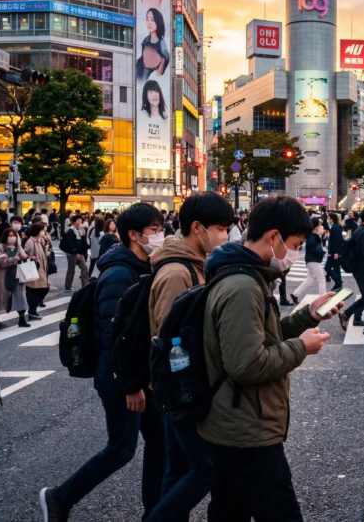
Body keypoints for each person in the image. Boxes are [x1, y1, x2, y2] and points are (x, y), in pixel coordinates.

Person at [197, 196, 337, 521]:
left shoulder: (245, 274)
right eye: (295, 244)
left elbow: (264, 335)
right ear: (273, 237)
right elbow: (247, 364)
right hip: (247, 427)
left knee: (229, 511)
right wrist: (302, 347)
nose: (296, 254)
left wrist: (308, 315)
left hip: (232, 422)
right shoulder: (244, 286)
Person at [40, 204, 168, 521]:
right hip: (121, 378)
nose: (160, 234)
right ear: (134, 235)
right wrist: (131, 385)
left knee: (160, 443)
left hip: (142, 375)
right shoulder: (119, 274)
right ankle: (59, 497)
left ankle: (155, 513)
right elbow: (115, 337)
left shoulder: (145, 266)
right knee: (121, 449)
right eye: (154, 229)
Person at [144, 192, 234, 522]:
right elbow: (171, 338)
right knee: (205, 467)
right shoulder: (177, 273)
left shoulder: (194, 266)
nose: (225, 235)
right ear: (198, 228)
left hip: (179, 385)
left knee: (179, 465)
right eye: (221, 227)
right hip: (180, 386)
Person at [0, 228, 31, 328]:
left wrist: (24, 257)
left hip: (18, 275)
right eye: (10, 235)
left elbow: (24, 256)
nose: (12, 238)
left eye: (14, 235)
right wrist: (12, 260)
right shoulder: (0, 248)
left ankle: (22, 319)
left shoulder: (18, 247)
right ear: (5, 237)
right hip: (5, 277)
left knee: (21, 297)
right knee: (2, 298)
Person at [292, 217, 328, 303]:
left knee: (310, 279)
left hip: (312, 260)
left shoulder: (314, 235)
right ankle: (323, 298)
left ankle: (295, 294)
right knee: (321, 279)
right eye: (319, 224)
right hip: (313, 260)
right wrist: (321, 250)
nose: (321, 225)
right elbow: (312, 248)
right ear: (315, 225)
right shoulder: (312, 236)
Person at [23, 223, 51, 319]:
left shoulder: (40, 241)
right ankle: (32, 311)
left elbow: (44, 253)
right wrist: (31, 258)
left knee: (43, 288)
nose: (43, 232)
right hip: (35, 270)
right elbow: (24, 255)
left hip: (41, 269)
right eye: (42, 230)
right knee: (37, 290)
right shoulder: (30, 242)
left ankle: (32, 309)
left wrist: (48, 247)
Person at [60, 215, 90, 292]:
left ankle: (85, 285)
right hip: (72, 254)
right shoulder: (71, 231)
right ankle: (68, 285)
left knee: (85, 268)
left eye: (81, 220)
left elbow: (83, 243)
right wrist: (75, 252)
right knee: (71, 270)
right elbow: (71, 243)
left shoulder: (81, 230)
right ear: (74, 222)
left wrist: (84, 251)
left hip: (80, 254)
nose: (80, 222)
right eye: (78, 220)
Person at [324, 213, 344, 291]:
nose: (328, 220)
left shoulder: (335, 227)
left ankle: (338, 282)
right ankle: (338, 285)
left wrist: (336, 252)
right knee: (336, 268)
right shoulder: (336, 227)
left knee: (327, 267)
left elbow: (337, 241)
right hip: (335, 251)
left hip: (334, 252)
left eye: (329, 218)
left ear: (332, 219)